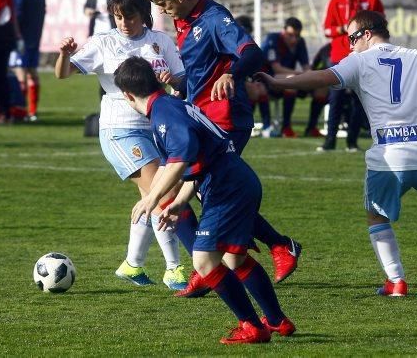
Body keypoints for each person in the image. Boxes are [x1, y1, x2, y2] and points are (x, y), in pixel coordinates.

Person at [255, 10, 417, 296]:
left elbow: (319, 77)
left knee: (376, 216)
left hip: (388, 155)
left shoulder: (359, 61)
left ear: (367, 34)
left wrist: (279, 82)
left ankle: (396, 281)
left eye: (352, 38)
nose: (349, 45)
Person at [144, 0, 302, 298]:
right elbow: (201, 71)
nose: (162, 9)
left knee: (212, 191)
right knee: (207, 192)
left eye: (165, 2)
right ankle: (228, 259)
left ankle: (270, 248)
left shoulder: (215, 18)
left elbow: (252, 53)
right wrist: (179, 85)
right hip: (203, 119)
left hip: (226, 119)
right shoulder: (183, 19)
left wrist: (232, 73)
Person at [119, 56, 295, 344]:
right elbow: (183, 165)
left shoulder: (164, 113)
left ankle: (253, 327)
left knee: (203, 261)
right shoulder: (171, 106)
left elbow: (181, 158)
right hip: (236, 181)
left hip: (228, 188)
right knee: (234, 258)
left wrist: (151, 198)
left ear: (128, 95)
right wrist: (176, 202)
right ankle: (277, 321)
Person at [54, 0, 189, 291]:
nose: (124, 23)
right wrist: (64, 54)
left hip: (157, 128)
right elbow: (63, 74)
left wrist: (173, 80)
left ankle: (133, 264)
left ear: (143, 14)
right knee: (164, 195)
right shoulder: (104, 42)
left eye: (130, 16)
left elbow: (182, 80)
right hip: (120, 130)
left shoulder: (160, 42)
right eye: (118, 17)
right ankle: (174, 269)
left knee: (150, 198)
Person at [320, 0, 384, 152]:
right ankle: (329, 141)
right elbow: (327, 30)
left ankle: (352, 141)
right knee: (335, 99)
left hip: (364, 56)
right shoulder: (336, 0)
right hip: (339, 56)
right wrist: (343, 28)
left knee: (360, 100)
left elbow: (381, 25)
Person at [261, 17, 323, 138]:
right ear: (283, 31)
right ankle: (286, 127)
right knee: (290, 80)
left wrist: (312, 76)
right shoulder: (272, 39)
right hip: (269, 81)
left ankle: (312, 127)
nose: (294, 39)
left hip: (291, 79)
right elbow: (276, 68)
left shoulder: (300, 42)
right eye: (290, 35)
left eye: (297, 35)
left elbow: (306, 67)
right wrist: (302, 75)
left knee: (322, 87)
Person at [12, 0, 47, 121]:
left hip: (23, 37)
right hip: (35, 36)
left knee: (21, 72)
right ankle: (33, 111)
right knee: (32, 72)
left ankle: (22, 110)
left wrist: (16, 36)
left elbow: (16, 15)